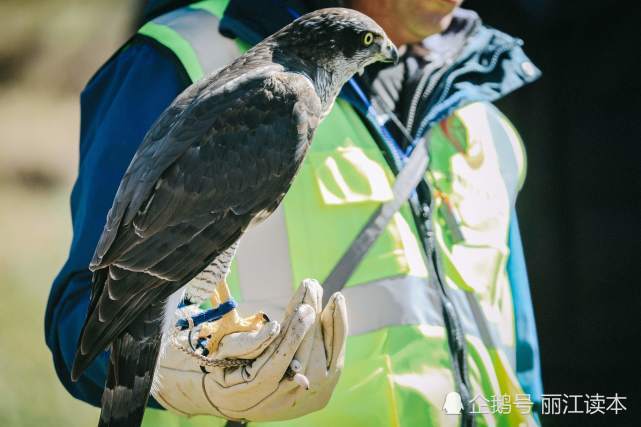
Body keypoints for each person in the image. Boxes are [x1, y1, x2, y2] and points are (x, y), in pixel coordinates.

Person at [45, 0, 543, 425]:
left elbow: (516, 353)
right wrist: (175, 368)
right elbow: (81, 314)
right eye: (368, 44)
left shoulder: (481, 104)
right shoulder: (191, 61)